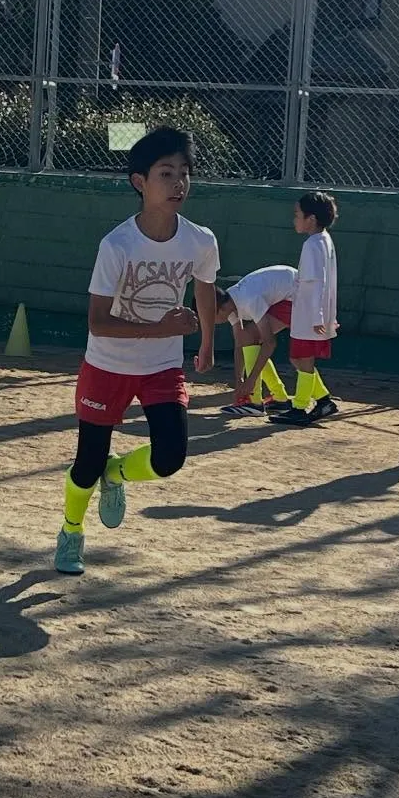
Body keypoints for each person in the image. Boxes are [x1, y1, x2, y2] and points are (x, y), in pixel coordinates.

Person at [55, 127, 219, 575]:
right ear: (139, 182)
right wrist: (160, 326)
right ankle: (71, 531)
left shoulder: (200, 240)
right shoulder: (117, 245)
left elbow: (205, 290)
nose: (178, 183)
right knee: (86, 462)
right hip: (107, 364)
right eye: (165, 173)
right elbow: (98, 321)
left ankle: (118, 473)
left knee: (170, 458)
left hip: (163, 366)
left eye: (184, 173)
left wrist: (205, 339)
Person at [270, 192, 340, 426]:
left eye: (297, 215)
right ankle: (323, 400)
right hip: (311, 313)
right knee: (299, 358)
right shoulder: (323, 240)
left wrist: (318, 315)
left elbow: (315, 283)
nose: (295, 220)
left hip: (309, 314)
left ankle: (300, 408)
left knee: (302, 358)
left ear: (310, 219)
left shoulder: (313, 244)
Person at [214, 265, 295, 417]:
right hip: (283, 295)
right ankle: (279, 399)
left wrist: (250, 381)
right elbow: (239, 344)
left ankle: (254, 402)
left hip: (298, 297)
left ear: (220, 310)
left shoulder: (249, 301)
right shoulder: (229, 303)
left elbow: (269, 342)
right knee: (248, 338)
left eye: (209, 317)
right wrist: (239, 380)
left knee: (252, 337)